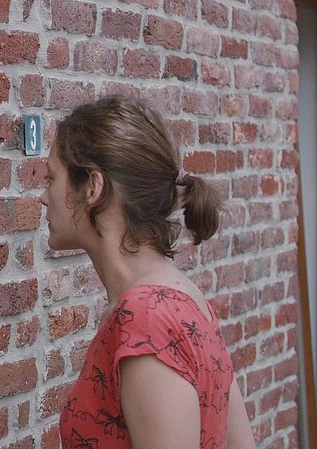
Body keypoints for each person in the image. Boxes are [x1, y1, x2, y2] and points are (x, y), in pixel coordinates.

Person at [47, 97, 256, 449]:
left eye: (51, 178)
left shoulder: (146, 318)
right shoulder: (181, 296)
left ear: (93, 187)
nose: (44, 196)